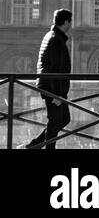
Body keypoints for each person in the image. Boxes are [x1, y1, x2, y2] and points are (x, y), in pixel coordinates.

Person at [26, 8, 73, 149]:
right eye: (70, 22)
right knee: (56, 120)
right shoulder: (56, 40)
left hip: (50, 87)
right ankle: (41, 147)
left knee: (62, 119)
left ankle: (34, 145)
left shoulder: (52, 36)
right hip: (52, 89)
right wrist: (56, 95)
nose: (71, 25)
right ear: (65, 22)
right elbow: (55, 70)